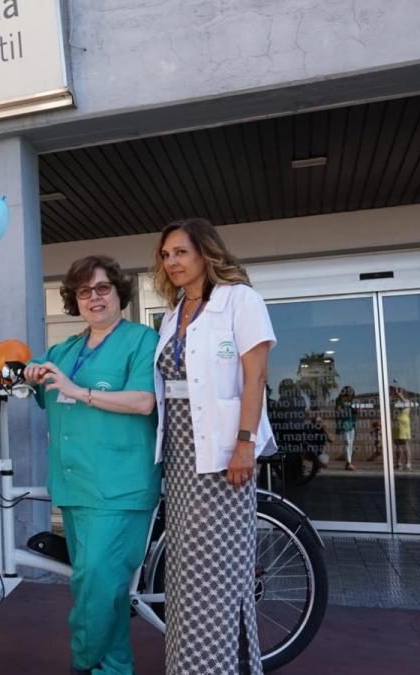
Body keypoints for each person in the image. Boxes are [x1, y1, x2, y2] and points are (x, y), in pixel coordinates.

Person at [22, 255, 161, 675]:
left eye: (103, 288)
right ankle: (114, 668)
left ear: (119, 293)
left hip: (120, 488)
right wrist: (31, 377)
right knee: (104, 590)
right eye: (84, 292)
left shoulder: (142, 341)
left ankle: (83, 664)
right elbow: (45, 390)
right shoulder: (65, 350)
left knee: (96, 588)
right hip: (75, 486)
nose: (94, 298)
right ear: (74, 300)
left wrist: (75, 389)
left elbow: (143, 401)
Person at [152, 218, 276, 675]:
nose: (173, 262)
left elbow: (255, 377)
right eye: (166, 255)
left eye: (181, 252)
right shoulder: (172, 313)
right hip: (182, 455)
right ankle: (186, 666)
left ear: (206, 253)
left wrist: (244, 444)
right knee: (184, 574)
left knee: (219, 575)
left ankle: (221, 666)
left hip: (224, 453)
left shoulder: (239, 300)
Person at [334, 386, 357, 470]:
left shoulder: (351, 402)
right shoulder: (339, 401)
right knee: (347, 442)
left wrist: (355, 410)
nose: (350, 397)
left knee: (350, 443)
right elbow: (338, 412)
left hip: (352, 424)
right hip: (344, 424)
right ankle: (348, 463)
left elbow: (356, 412)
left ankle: (348, 462)